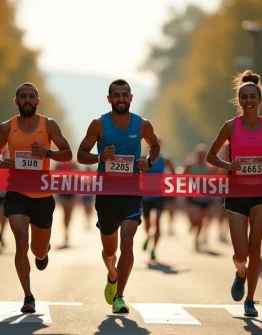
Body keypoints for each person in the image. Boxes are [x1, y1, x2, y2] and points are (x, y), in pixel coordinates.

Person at [77, 79, 160, 314]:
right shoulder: (98, 124)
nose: (121, 99)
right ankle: (112, 274)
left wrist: (149, 161)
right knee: (110, 251)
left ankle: (120, 297)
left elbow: (155, 146)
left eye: (125, 95)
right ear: (109, 98)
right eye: (116, 95)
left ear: (131, 98)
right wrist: (99, 157)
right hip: (106, 194)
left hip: (132, 193)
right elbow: (81, 154)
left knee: (128, 241)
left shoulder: (142, 125)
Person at [0, 82, 72, 314]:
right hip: (16, 192)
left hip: (43, 194)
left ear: (38, 101)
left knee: (38, 250)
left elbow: (67, 153)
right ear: (16, 102)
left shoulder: (49, 125)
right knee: (21, 242)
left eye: (31, 96)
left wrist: (46, 153)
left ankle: (43, 252)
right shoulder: (7, 127)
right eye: (23, 96)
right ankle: (28, 296)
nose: (27, 100)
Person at [206, 70, 262, 317]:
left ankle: (250, 299)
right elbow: (211, 155)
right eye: (244, 97)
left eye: (253, 96)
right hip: (236, 193)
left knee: (254, 247)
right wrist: (229, 166)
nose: (248, 100)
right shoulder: (230, 127)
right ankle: (240, 272)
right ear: (239, 101)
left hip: (261, 193)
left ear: (260, 100)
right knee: (240, 253)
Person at [141, 139, 175, 261]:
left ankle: (154, 249)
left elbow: (174, 175)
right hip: (145, 196)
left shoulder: (165, 160)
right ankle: (148, 236)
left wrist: (172, 187)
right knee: (147, 224)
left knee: (158, 222)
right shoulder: (143, 158)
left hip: (160, 195)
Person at [183, 144, 213, 251]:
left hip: (205, 197)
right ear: (196, 155)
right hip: (192, 196)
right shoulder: (190, 165)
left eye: (203, 155)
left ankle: (197, 238)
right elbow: (183, 177)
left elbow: (214, 181)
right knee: (194, 219)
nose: (201, 157)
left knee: (201, 221)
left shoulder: (209, 168)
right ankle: (191, 224)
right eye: (199, 155)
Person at [55, 160, 79, 247]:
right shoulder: (59, 164)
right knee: (65, 213)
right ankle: (65, 234)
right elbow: (54, 176)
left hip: (71, 192)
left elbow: (79, 176)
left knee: (69, 214)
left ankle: (67, 233)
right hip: (63, 192)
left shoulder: (73, 164)